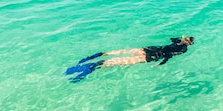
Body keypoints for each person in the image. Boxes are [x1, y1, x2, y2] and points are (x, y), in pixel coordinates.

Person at [65, 36, 195, 83]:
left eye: (186, 40)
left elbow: (170, 52)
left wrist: (161, 63)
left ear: (187, 42)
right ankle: (94, 64)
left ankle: (93, 61)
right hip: (150, 53)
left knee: (122, 55)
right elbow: (170, 50)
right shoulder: (181, 46)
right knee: (122, 56)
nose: (184, 40)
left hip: (150, 53)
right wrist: (180, 39)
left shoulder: (182, 47)